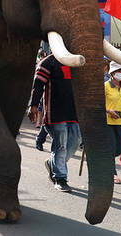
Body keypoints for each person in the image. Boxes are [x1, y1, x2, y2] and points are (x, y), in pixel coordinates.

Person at [29, 53, 81, 193]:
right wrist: (33, 105)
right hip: (55, 112)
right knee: (61, 146)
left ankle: (53, 164)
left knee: (76, 141)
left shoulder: (77, 61)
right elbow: (38, 84)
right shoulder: (49, 62)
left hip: (74, 112)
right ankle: (60, 178)